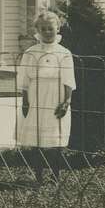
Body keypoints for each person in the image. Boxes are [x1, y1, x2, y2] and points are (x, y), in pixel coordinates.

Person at [16, 11, 76, 184]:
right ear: (37, 30)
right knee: (37, 138)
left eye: (51, 28)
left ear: (57, 28)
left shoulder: (64, 53)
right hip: (36, 96)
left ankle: (55, 175)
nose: (48, 32)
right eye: (44, 29)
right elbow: (24, 80)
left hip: (56, 96)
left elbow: (68, 80)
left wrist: (66, 102)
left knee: (55, 138)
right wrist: (25, 101)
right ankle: (39, 175)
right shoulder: (30, 52)